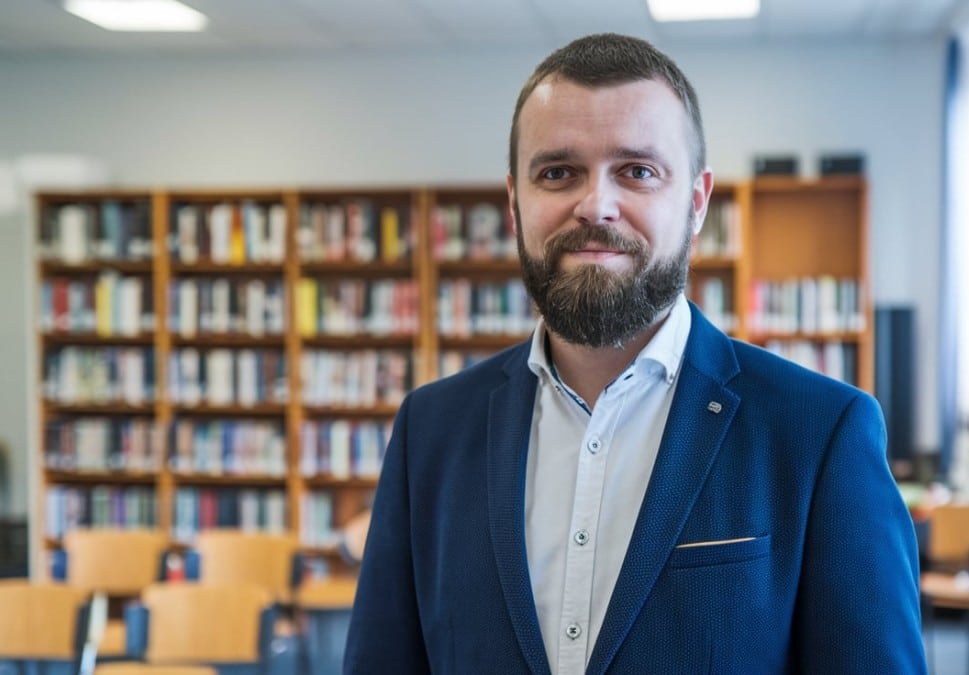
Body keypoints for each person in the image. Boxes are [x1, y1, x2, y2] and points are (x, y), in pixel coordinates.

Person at [344, 33, 925, 674]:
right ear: (514, 204)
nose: (596, 205)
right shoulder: (431, 431)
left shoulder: (820, 433)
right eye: (558, 172)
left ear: (696, 203)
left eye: (638, 171)